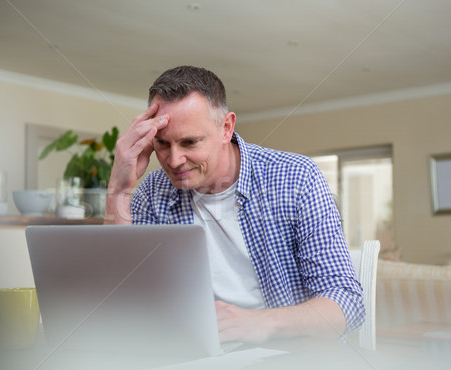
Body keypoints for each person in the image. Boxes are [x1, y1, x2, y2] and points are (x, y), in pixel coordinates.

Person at [105, 66, 364, 344]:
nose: (174, 159)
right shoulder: (153, 192)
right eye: (163, 143)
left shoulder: (296, 178)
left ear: (226, 128)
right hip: (194, 358)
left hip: (288, 357)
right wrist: (119, 191)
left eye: (190, 142)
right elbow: (124, 303)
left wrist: (261, 323)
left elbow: (347, 303)